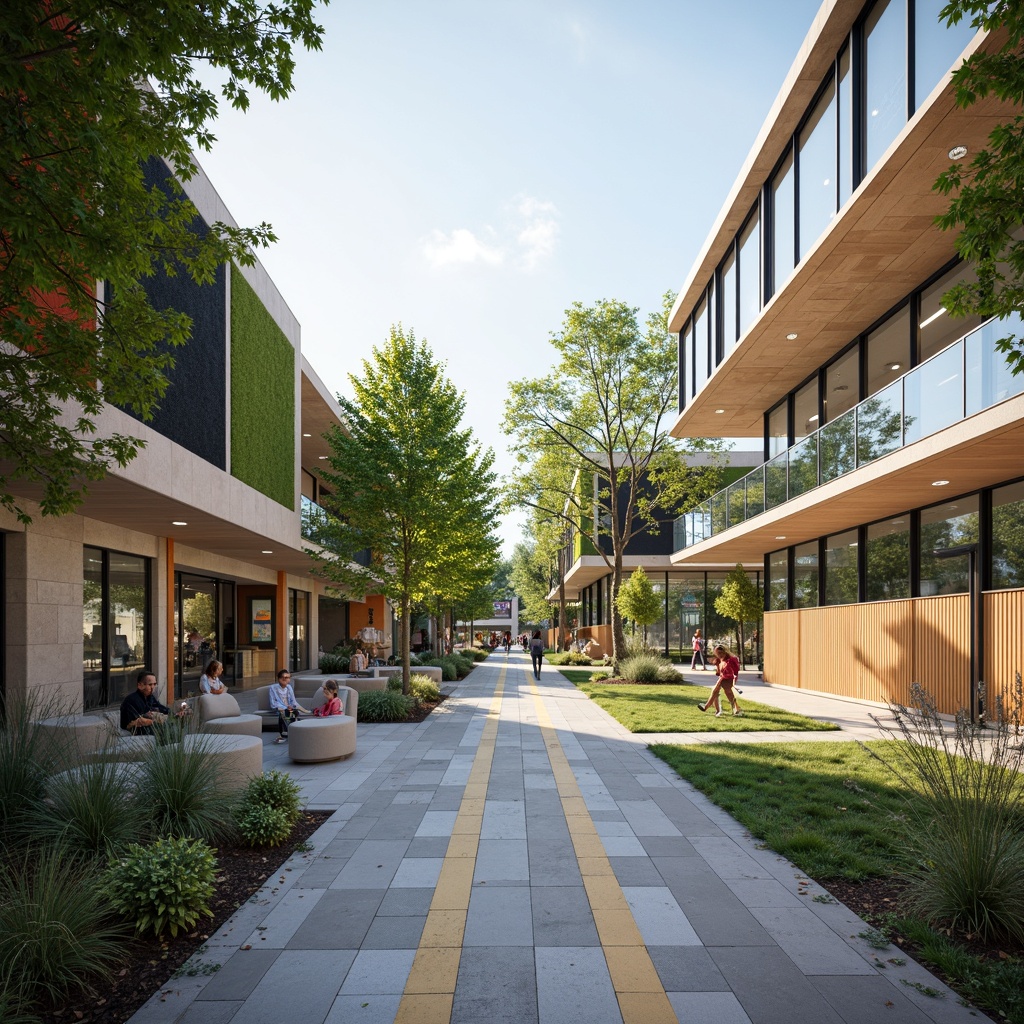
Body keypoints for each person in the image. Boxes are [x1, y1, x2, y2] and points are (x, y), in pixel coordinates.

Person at [120, 670, 185, 735]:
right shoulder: (132, 699)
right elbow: (133, 722)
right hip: (136, 732)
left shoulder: (150, 697)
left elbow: (161, 708)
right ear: (140, 685)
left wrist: (175, 715)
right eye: (150, 684)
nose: (153, 687)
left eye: (154, 684)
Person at [697, 644, 743, 717]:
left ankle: (708, 707)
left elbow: (735, 671)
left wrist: (732, 679)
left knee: (725, 693)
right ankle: (720, 710)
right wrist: (717, 666)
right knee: (717, 692)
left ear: (725, 652)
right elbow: (719, 673)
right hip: (723, 678)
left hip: (729, 678)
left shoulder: (731, 660)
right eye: (718, 653)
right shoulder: (719, 660)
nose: (720, 655)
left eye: (721, 653)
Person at [269, 669, 304, 743]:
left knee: (294, 712)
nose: (286, 680)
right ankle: (285, 734)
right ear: (279, 679)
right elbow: (273, 703)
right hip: (278, 708)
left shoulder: (289, 687)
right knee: (284, 712)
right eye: (284, 678)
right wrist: (286, 707)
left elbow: (293, 701)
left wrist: (291, 706)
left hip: (289, 708)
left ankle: (288, 733)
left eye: (288, 677)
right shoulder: (273, 688)